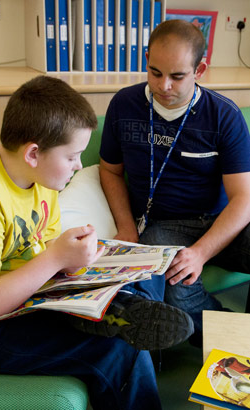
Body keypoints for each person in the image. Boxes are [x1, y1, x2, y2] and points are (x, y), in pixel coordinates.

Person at [0, 75, 194, 410]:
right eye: (72, 156)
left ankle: (101, 310)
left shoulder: (39, 179)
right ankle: (99, 317)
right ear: (33, 153)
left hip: (26, 301)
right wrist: (54, 260)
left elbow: (42, 252)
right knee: (118, 349)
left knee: (141, 282)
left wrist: (72, 261)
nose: (79, 165)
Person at [99, 19, 250, 346]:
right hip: (165, 228)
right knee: (179, 297)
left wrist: (200, 252)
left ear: (200, 69)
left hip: (221, 223)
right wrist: (126, 227)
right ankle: (235, 337)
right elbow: (110, 171)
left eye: (177, 76)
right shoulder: (124, 106)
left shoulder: (224, 115)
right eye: (155, 72)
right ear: (147, 60)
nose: (163, 85)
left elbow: (244, 199)